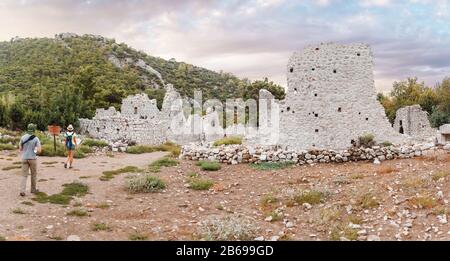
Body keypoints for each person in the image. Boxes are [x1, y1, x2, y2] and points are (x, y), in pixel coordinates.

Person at [19, 123, 42, 197]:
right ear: (33, 129)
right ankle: (33, 189)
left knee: (24, 175)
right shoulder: (36, 138)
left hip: (24, 158)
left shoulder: (23, 137)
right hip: (32, 159)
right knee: (33, 175)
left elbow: (20, 148)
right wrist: (35, 152)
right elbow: (39, 150)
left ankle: (22, 191)